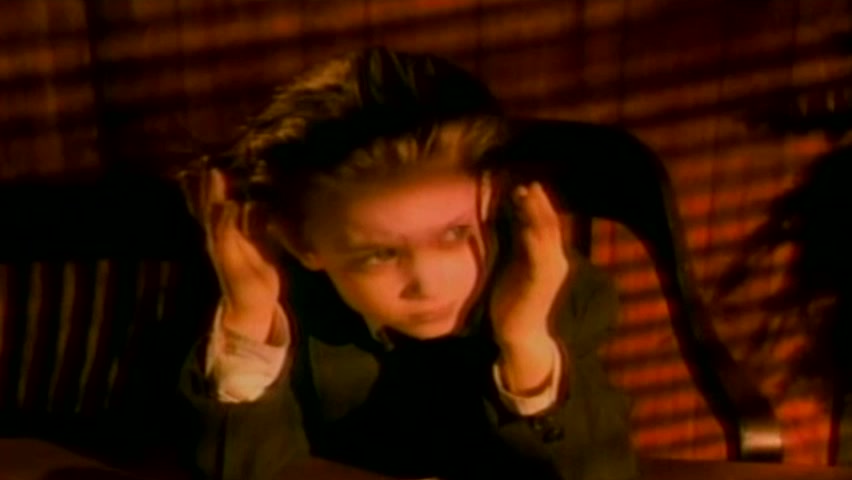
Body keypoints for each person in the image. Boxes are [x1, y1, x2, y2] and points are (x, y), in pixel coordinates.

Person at [177, 46, 636, 480]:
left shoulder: (556, 293)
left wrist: (526, 343)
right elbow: (231, 470)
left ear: (488, 194)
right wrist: (250, 319)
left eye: (455, 233)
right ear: (301, 244)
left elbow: (603, 474)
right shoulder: (266, 304)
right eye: (379, 255)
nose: (428, 283)